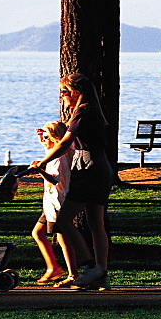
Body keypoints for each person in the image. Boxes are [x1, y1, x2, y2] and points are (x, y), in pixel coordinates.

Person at [32, 73, 113, 290]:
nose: (63, 98)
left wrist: (42, 162)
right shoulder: (91, 110)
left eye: (65, 93)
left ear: (75, 92)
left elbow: (65, 142)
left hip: (88, 169)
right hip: (100, 167)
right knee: (96, 224)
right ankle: (101, 273)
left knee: (63, 221)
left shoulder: (83, 111)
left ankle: (89, 267)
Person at [30, 120, 78, 286]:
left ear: (54, 137)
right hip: (50, 204)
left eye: (46, 136)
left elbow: (55, 179)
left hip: (58, 203)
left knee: (63, 239)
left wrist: (39, 170)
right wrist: (42, 141)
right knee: (38, 232)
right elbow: (49, 150)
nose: (44, 139)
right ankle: (53, 268)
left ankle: (73, 274)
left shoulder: (60, 158)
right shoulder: (54, 152)